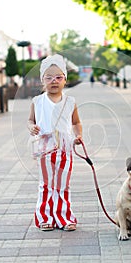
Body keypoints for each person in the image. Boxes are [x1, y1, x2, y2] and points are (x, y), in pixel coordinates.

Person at [27, 54, 83, 232]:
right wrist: (32, 128)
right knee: (46, 184)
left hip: (65, 147)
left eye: (58, 77)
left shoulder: (70, 102)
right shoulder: (37, 102)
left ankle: (64, 217)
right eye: (49, 77)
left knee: (63, 184)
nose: (54, 81)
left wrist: (78, 135)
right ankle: (45, 217)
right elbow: (30, 120)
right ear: (42, 80)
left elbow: (76, 122)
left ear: (65, 80)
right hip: (44, 147)